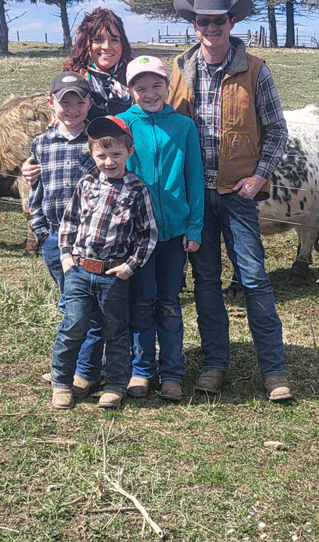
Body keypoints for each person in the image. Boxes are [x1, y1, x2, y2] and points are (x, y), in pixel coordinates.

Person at [169, 0, 293, 402]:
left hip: (238, 195)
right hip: (196, 196)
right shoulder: (178, 70)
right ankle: (214, 364)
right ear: (195, 25)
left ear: (231, 22)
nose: (211, 28)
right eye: (203, 21)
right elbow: (163, 125)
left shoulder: (257, 69)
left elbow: (276, 130)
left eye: (218, 21)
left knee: (255, 279)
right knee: (205, 281)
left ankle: (273, 369)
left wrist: (259, 176)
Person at [51, 116, 157, 410]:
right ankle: (62, 382)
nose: (109, 161)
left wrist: (129, 267)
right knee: (74, 324)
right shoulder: (85, 184)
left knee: (116, 329)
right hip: (80, 270)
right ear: (91, 153)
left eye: (116, 155)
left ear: (129, 152)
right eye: (101, 155)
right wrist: (65, 255)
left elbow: (148, 234)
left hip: (113, 274)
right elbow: (70, 221)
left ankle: (114, 385)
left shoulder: (137, 190)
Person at [118, 55, 204, 402]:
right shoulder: (121, 125)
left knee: (169, 302)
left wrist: (194, 226)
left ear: (168, 87)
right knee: (141, 302)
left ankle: (171, 373)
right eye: (141, 87)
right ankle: (141, 371)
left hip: (172, 234)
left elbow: (194, 179)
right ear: (130, 90)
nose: (149, 93)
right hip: (137, 235)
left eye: (156, 85)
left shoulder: (184, 127)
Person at [28, 72, 102, 396]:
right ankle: (72, 366)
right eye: (64, 101)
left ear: (90, 104)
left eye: (79, 101)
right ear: (51, 104)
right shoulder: (41, 144)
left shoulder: (97, 142)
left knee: (89, 309)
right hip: (54, 238)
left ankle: (83, 372)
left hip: (89, 242)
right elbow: (36, 191)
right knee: (68, 305)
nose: (72, 108)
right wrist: (41, 231)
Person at [22, 7, 134, 184]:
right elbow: (56, 132)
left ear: (122, 43)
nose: (107, 47)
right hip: (84, 176)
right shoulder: (74, 81)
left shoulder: (135, 80)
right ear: (86, 43)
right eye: (98, 40)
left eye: (114, 39)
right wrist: (32, 166)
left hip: (131, 172)